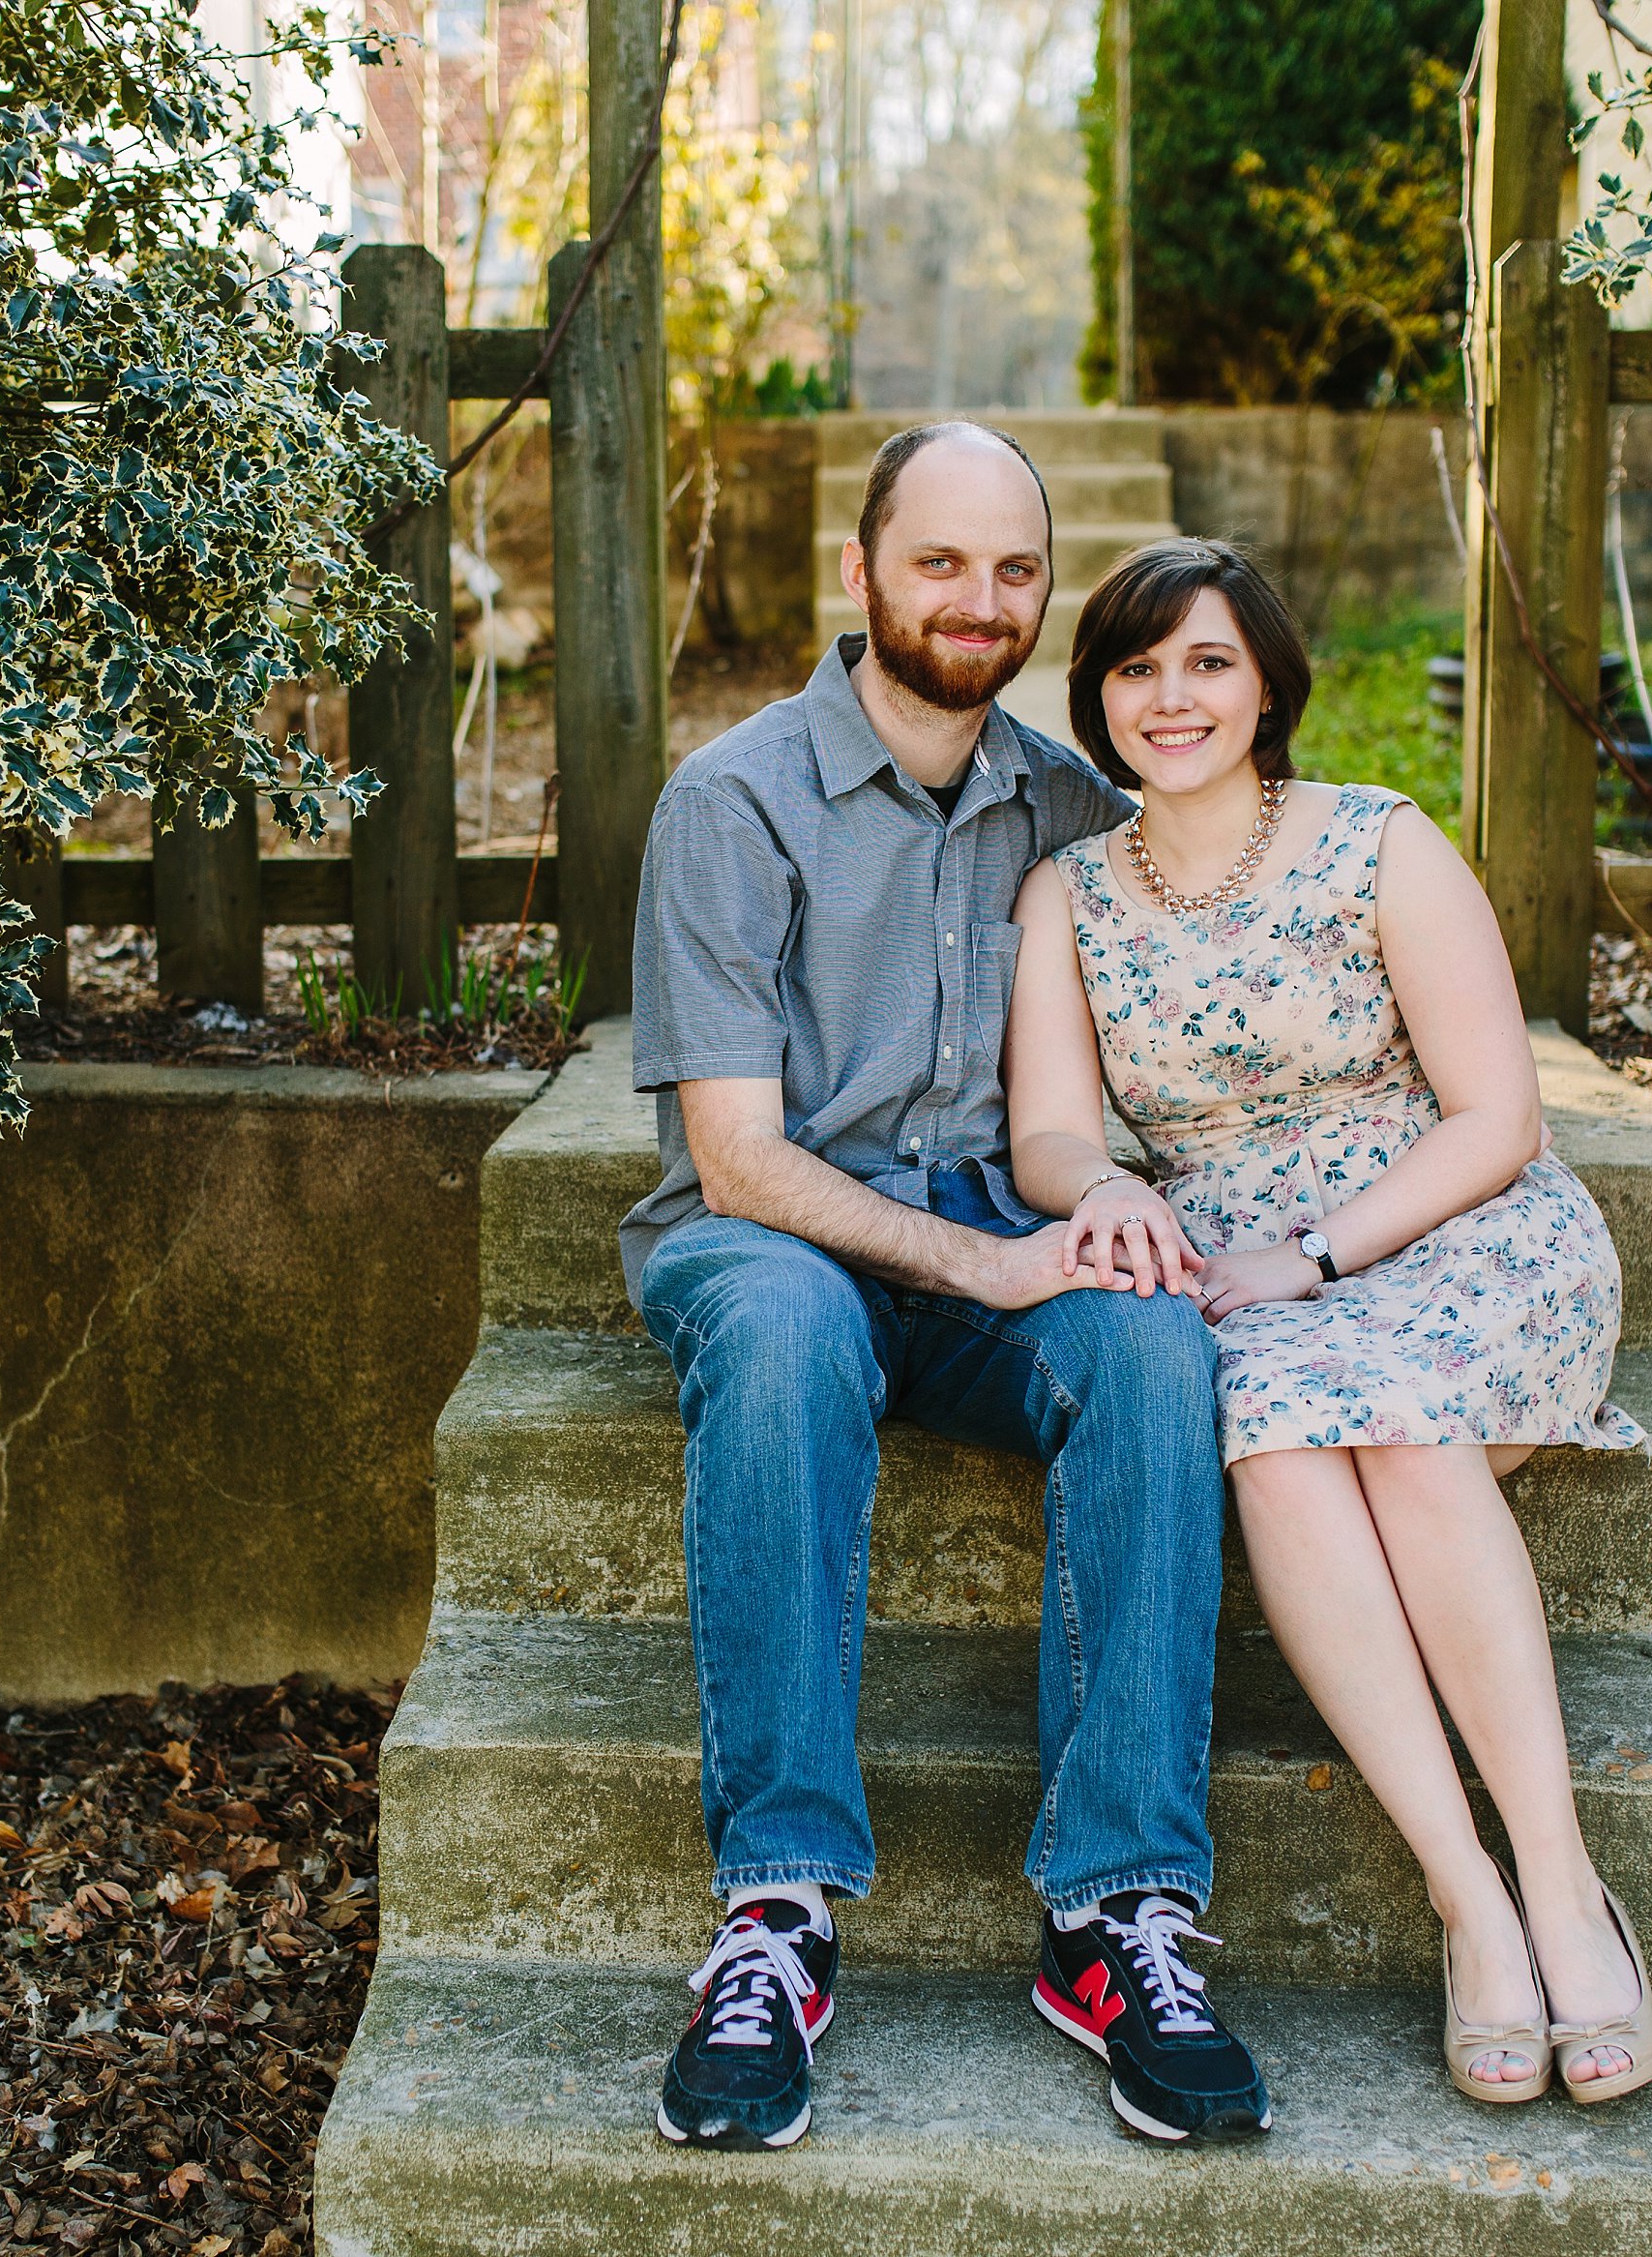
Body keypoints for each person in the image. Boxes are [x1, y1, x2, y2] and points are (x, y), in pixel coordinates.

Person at [625, 425, 1274, 2153]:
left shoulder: (1069, 810)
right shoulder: (730, 802)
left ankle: (1117, 1912)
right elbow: (743, 1159)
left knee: (1146, 1341)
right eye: (939, 563)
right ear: (863, 573)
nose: (977, 603)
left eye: (1012, 570)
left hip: (1003, 1239)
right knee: (777, 1332)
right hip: (769, 1244)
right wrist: (985, 1256)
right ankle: (777, 1909)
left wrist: (1119, 1207)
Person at [1004, 537, 1652, 2107]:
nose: (1174, 696)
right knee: (1289, 1451)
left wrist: (1320, 1247)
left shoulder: (1379, 843)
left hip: (1451, 1228)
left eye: (1209, 662)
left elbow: (1496, 1113)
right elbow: (1047, 1132)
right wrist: (1109, 1185)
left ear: (1269, 683)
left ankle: (1568, 1892)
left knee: (1408, 1442)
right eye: (1137, 668)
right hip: (1232, 1263)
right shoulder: (1069, 893)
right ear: (1099, 701)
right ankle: (1471, 1901)